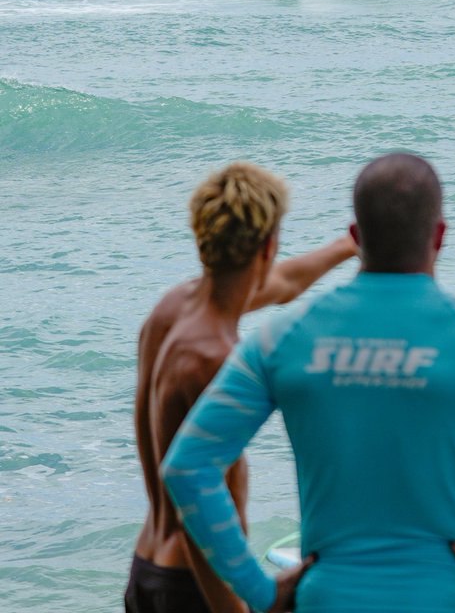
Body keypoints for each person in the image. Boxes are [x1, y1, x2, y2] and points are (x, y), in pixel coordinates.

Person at [161, 152, 455, 613]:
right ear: (439, 237)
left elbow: (188, 468)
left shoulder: (280, 340)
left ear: (357, 238)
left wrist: (260, 591)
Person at [128, 162, 359, 613]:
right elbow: (196, 507)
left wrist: (347, 247)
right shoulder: (214, 357)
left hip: (148, 567)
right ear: (268, 245)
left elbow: (285, 283)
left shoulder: (173, 310)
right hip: (194, 584)